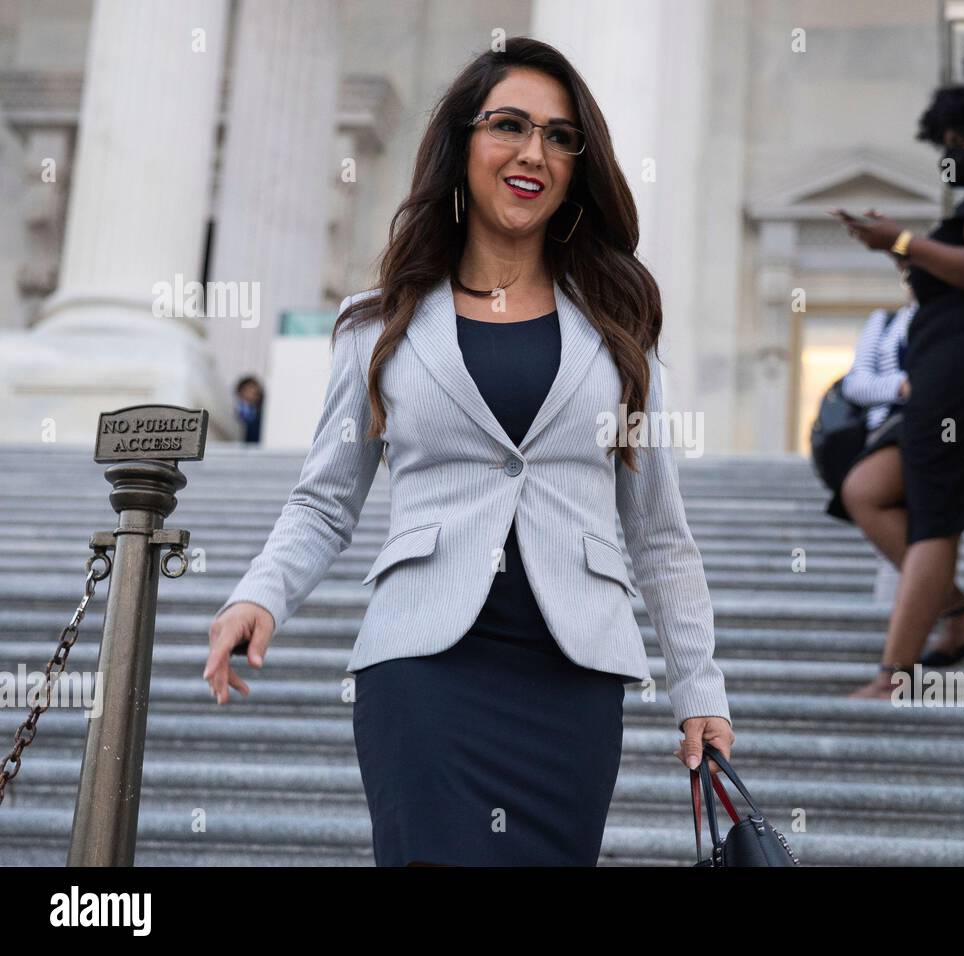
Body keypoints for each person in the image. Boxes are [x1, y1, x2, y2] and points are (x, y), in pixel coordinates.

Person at [205, 38, 734, 866]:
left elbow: (659, 529)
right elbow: (324, 500)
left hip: (571, 683)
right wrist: (258, 596)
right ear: (462, 145)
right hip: (424, 674)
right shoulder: (373, 326)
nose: (534, 153)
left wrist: (700, 687)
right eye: (510, 126)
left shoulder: (618, 326)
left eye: (561, 137)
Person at [839, 55, 964, 699]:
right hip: (941, 368)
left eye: (958, 144)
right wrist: (892, 246)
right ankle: (961, 615)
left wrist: (904, 241)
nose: (949, 155)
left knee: (933, 516)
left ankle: (895, 675)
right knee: (867, 488)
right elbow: (954, 278)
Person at [234, 376, 262, 444]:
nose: (252, 394)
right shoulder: (238, 411)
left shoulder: (259, 415)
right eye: (249, 390)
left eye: (255, 392)